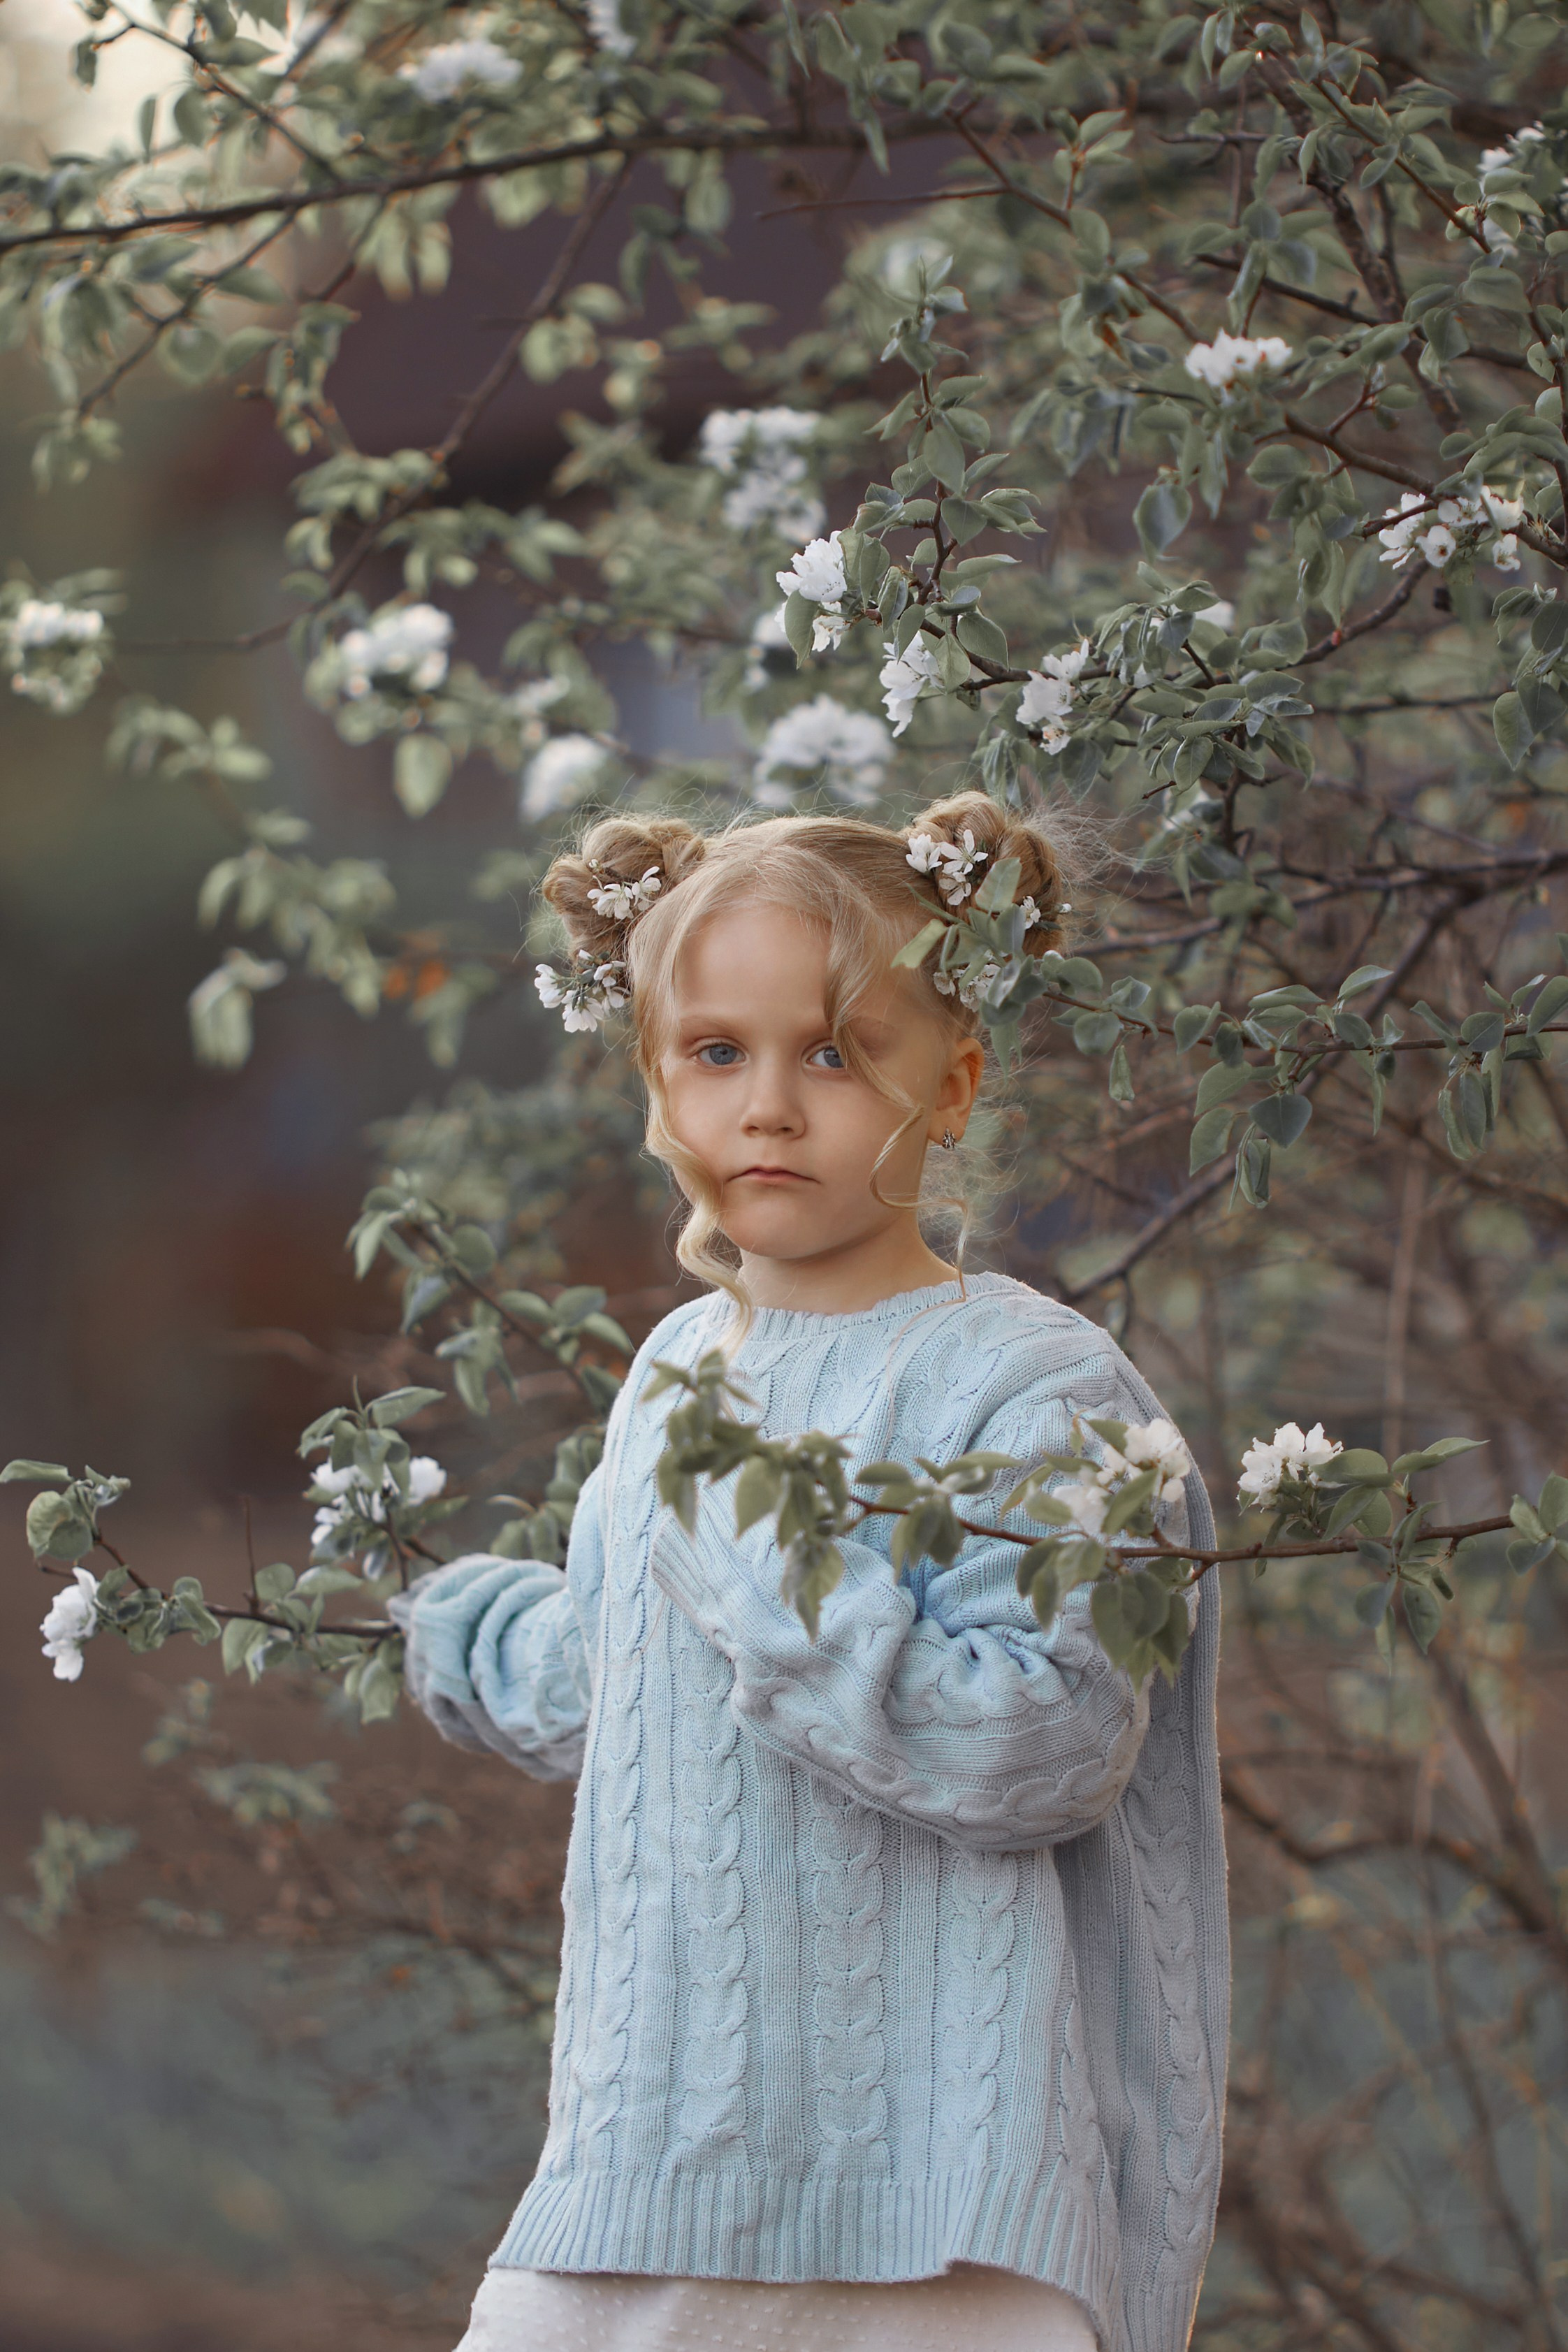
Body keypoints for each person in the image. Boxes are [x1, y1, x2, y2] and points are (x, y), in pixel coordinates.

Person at [390, 793, 1228, 2352]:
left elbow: (1045, 1742)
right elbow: (643, 1681)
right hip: (650, 2168)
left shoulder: (1034, 1383)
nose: (769, 1107)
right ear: (656, 1078)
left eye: (836, 1053)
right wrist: (464, 1632)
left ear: (956, 1083)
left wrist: (781, 1580)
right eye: (718, 1053)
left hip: (943, 2214)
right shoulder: (672, 1372)